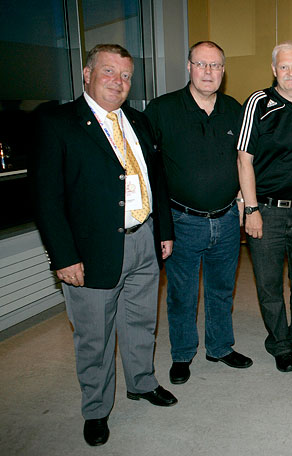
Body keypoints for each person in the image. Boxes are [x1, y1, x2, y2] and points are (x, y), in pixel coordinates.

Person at [31, 44, 176, 447]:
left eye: (126, 75)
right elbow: (47, 198)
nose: (118, 82)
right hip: (91, 251)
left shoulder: (140, 123)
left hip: (144, 240)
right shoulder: (59, 123)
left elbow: (155, 179)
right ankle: (95, 409)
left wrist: (163, 230)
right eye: (109, 72)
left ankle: (142, 384)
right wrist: (63, 257)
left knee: (141, 324)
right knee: (94, 337)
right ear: (87, 73)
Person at [144, 41, 251, 386]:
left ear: (224, 71)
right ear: (188, 67)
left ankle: (219, 347)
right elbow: (147, 168)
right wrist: (158, 224)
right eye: (202, 64)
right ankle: (182, 354)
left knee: (222, 289)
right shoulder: (162, 110)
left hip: (226, 219)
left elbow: (248, 160)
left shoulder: (235, 109)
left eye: (216, 66)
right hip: (182, 220)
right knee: (182, 293)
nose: (209, 72)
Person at [237, 41, 292, 373]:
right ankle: (280, 344)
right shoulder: (257, 103)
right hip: (267, 212)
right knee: (269, 283)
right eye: (284, 67)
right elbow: (244, 159)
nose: (291, 73)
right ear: (274, 70)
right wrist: (251, 209)